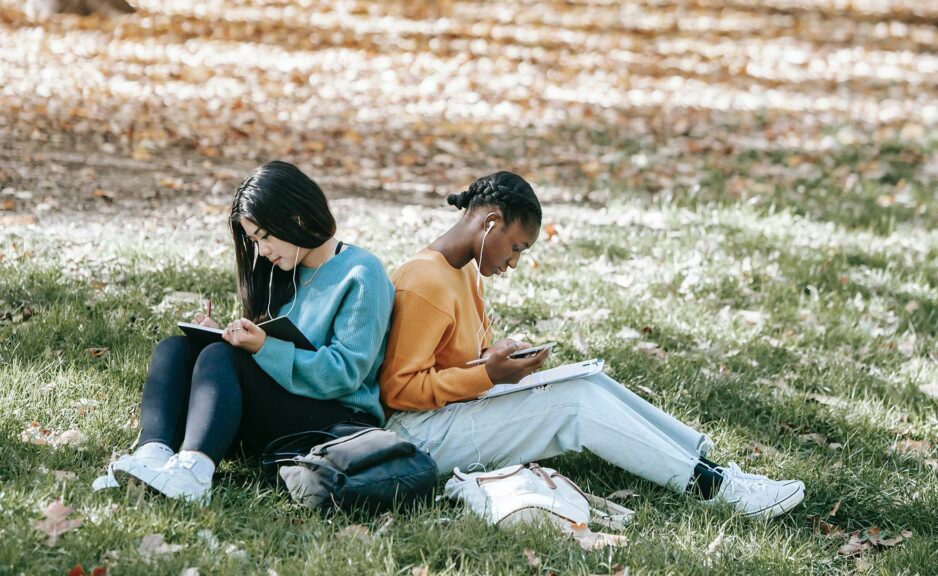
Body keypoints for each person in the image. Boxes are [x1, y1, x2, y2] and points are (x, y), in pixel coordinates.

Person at [379, 171, 805, 518]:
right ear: (491, 223)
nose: (514, 262)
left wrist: (494, 359)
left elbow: (451, 357)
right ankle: (713, 489)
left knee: (588, 381)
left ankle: (708, 465)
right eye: (516, 247)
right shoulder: (425, 280)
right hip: (419, 438)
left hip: (449, 414)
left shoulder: (462, 272)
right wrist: (487, 373)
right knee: (575, 403)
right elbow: (398, 392)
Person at [93, 160, 394, 504]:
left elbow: (345, 374)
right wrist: (225, 334)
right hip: (282, 409)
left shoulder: (360, 271)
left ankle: (193, 473)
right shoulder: (282, 271)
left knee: (222, 357)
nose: (262, 251)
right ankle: (152, 458)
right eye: (254, 241)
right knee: (176, 348)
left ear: (295, 218)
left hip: (336, 422)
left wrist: (262, 347)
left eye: (265, 237)